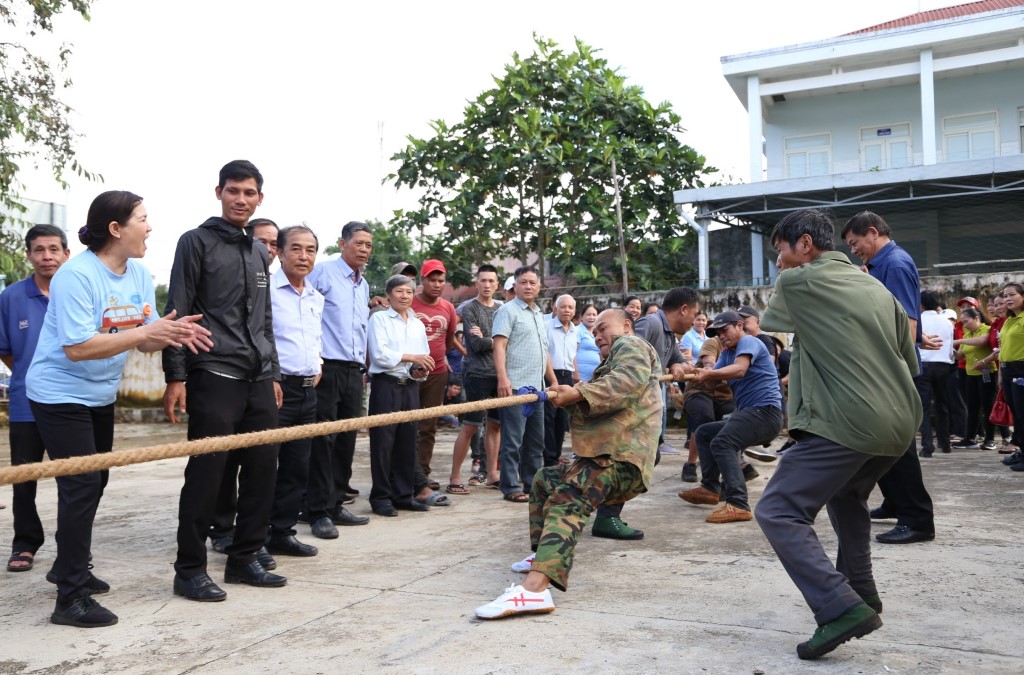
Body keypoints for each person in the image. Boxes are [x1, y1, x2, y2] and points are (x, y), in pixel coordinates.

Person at [30, 191, 209, 626]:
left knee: (95, 482)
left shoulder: (139, 274)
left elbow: (141, 337)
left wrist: (169, 334)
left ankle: (68, 565)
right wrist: (148, 331)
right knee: (82, 486)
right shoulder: (77, 275)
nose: (150, 227)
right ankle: (69, 598)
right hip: (59, 392)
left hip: (99, 394)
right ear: (116, 228)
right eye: (143, 219)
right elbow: (76, 347)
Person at [755, 208, 920, 660]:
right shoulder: (877, 288)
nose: (779, 264)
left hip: (849, 420)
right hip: (901, 421)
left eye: (781, 252)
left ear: (805, 244)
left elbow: (772, 323)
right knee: (847, 497)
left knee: (779, 508)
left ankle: (838, 607)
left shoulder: (799, 281)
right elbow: (910, 358)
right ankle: (861, 593)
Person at [475, 309, 662, 619]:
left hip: (620, 456)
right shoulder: (612, 361)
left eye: (605, 328)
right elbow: (603, 401)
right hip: (606, 454)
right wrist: (560, 397)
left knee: (569, 495)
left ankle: (535, 590)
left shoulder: (630, 346)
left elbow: (623, 384)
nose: (598, 334)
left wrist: (576, 392)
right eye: (595, 331)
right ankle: (543, 555)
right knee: (546, 480)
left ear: (627, 326)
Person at [164, 160, 287, 603]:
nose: (241, 199)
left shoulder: (258, 251)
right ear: (218, 192)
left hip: (257, 377)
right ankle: (190, 569)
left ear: (260, 198)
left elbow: (265, 318)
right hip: (213, 371)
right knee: (207, 474)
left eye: (249, 192)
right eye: (233, 190)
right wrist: (175, 375)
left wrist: (271, 372)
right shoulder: (195, 242)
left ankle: (244, 557)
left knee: (262, 469)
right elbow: (177, 309)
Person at [843, 211, 937, 545]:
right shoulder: (881, 266)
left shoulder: (894, 264)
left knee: (897, 444)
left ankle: (918, 518)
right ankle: (896, 501)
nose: (855, 251)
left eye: (855, 243)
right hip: (886, 366)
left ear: (872, 232)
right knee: (883, 441)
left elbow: (907, 325)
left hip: (891, 370)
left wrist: (913, 338)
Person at [592, 287, 700, 538]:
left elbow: (675, 359)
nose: (695, 320)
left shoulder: (669, 336)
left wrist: (677, 363)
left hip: (642, 413)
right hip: (626, 408)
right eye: (694, 314)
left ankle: (603, 509)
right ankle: (603, 513)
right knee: (626, 461)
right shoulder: (649, 324)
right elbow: (624, 353)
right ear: (683, 310)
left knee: (643, 459)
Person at [2, 225, 70, 574]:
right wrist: (33, 378)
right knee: (23, 479)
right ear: (28, 255)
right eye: (39, 250)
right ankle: (25, 543)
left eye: (54, 249)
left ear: (66, 254)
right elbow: (8, 352)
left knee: (74, 480)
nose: (47, 256)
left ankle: (71, 549)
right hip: (25, 404)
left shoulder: (75, 293)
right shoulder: (11, 297)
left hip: (70, 404)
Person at [678, 310, 783, 524]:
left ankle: (738, 504)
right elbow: (712, 379)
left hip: (765, 412)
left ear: (739, 326)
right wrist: (689, 370)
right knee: (705, 433)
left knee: (723, 442)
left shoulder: (750, 342)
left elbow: (739, 370)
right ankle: (711, 488)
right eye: (717, 333)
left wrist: (710, 373)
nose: (722, 336)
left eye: (725, 330)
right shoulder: (726, 353)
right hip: (750, 414)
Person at [304, 221, 373, 539]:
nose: (364, 249)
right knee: (323, 439)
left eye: (368, 245)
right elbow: (306, 313)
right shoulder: (323, 273)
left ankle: (335, 503)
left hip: (353, 371)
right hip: (326, 367)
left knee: (346, 438)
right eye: (358, 243)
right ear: (342, 244)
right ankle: (316, 510)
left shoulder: (364, 284)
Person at [265, 226, 324, 558]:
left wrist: (317, 363)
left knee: (296, 467)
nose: (304, 256)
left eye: (311, 249)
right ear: (281, 252)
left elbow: (312, 339)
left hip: (306, 391)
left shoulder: (316, 297)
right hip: (276, 388)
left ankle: (282, 533)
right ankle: (254, 537)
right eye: (297, 249)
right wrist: (270, 377)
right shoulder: (267, 292)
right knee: (263, 466)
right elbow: (263, 338)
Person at [367, 275, 434, 516]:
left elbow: (423, 354)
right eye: (399, 291)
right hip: (386, 385)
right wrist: (413, 358)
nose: (404, 296)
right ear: (388, 294)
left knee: (407, 441)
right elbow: (380, 355)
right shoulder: (380, 319)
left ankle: (404, 495)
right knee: (383, 443)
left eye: (408, 291)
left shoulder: (416, 323)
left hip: (410, 386)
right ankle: (381, 497)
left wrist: (420, 368)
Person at [492, 265, 556, 503]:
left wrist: (554, 381)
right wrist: (502, 377)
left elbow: (544, 351)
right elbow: (499, 346)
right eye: (523, 282)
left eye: (532, 282)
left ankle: (531, 484)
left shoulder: (540, 314)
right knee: (513, 440)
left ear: (539, 287)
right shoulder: (507, 311)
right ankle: (510, 486)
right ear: (514, 286)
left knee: (536, 442)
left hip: (538, 389)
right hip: (516, 386)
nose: (528, 286)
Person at [450, 264, 503, 490]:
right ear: (477, 283)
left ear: (497, 284)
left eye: (491, 281)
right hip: (476, 374)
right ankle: (454, 478)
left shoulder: (503, 309)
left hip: (499, 374)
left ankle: (492, 474)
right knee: (470, 426)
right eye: (483, 280)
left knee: (495, 426)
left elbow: (510, 341)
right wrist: (498, 341)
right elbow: (476, 344)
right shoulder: (469, 308)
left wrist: (491, 340)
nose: (487, 285)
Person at [411, 259, 463, 486]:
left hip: (437, 372)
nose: (436, 284)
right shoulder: (409, 303)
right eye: (431, 280)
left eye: (440, 280)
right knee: (407, 424)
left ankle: (423, 474)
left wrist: (438, 359)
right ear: (422, 281)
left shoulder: (448, 308)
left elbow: (449, 340)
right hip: (409, 373)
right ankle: (406, 474)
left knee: (428, 426)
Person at [680, 336, 735, 483]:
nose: (724, 335)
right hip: (700, 390)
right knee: (704, 417)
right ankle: (690, 464)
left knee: (734, 420)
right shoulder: (713, 342)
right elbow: (708, 361)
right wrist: (710, 368)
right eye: (721, 331)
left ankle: (735, 467)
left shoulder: (746, 347)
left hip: (725, 395)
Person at [916, 290, 955, 456]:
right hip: (943, 365)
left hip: (923, 365)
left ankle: (927, 447)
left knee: (923, 407)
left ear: (921, 305)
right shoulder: (946, 322)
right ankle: (945, 444)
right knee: (942, 405)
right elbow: (950, 345)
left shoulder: (917, 321)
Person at [953, 307, 997, 451]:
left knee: (988, 406)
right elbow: (960, 355)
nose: (964, 325)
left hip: (986, 373)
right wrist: (948, 348)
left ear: (976, 318)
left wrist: (957, 340)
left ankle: (990, 438)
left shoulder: (986, 329)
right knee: (972, 407)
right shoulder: (967, 335)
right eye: (963, 322)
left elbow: (982, 342)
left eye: (967, 321)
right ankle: (970, 438)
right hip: (971, 374)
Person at [544, 294, 580, 466]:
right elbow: (545, 355)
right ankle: (549, 459)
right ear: (555, 308)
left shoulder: (575, 330)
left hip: (568, 376)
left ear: (574, 310)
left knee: (562, 420)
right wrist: (552, 380)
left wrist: (576, 375)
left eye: (570, 307)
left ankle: (556, 455)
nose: (567, 310)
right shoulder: (546, 327)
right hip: (551, 375)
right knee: (548, 419)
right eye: (563, 306)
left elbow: (573, 355)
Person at [998, 283, 1024, 471]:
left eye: (1012, 294)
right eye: (1005, 295)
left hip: (1021, 369)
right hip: (1007, 370)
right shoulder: (1009, 320)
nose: (1007, 298)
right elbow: (1003, 349)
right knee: (1017, 413)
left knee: (1023, 413)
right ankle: (1021, 451)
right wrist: (1001, 373)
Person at [575, 304, 601, 383]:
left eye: (594, 315)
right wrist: (575, 373)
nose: (591, 317)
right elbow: (572, 353)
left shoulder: (598, 333)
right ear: (582, 317)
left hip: (595, 378)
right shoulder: (578, 330)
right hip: (580, 379)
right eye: (588, 315)